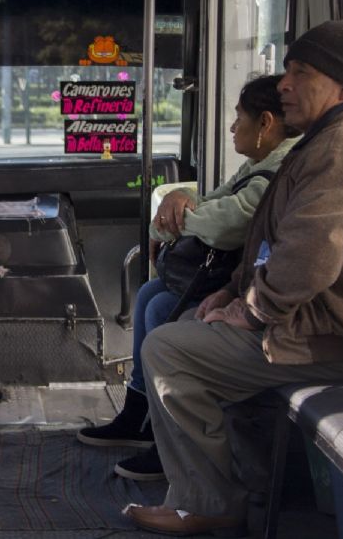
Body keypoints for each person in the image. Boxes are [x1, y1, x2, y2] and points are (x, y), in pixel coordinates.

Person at [124, 20, 343, 536]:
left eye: (300, 71)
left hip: (339, 340)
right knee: (181, 330)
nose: (284, 83)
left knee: (168, 350)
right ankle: (228, 487)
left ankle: (210, 501)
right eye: (287, 70)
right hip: (320, 326)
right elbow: (273, 236)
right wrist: (226, 291)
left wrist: (248, 311)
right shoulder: (325, 140)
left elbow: (305, 263)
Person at [77, 75, 303, 481]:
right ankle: (139, 412)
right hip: (237, 281)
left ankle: (170, 442)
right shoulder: (256, 167)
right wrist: (174, 209)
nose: (233, 127)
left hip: (263, 306)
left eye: (239, 118)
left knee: (165, 307)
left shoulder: (281, 170)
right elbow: (207, 204)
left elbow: (225, 225)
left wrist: (178, 220)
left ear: (265, 122)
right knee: (149, 293)